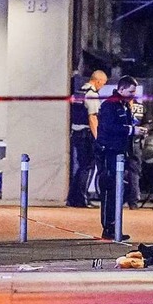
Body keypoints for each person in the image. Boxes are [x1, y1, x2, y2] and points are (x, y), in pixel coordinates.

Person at [95, 76, 146, 240]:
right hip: (109, 152)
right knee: (110, 190)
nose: (133, 95)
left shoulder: (124, 105)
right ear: (121, 89)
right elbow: (109, 127)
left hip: (120, 154)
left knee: (119, 189)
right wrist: (132, 130)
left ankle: (114, 227)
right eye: (130, 91)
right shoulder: (110, 105)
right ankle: (108, 228)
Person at [67, 70, 108, 207]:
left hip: (76, 133)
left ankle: (72, 198)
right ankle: (82, 199)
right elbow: (92, 118)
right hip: (86, 134)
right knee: (88, 167)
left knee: (81, 166)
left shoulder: (79, 92)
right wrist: (97, 138)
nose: (102, 86)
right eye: (103, 83)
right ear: (98, 81)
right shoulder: (92, 95)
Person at [125, 98, 144, 209]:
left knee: (133, 172)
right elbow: (147, 123)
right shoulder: (141, 106)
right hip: (134, 143)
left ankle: (132, 200)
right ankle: (133, 201)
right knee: (134, 172)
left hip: (127, 143)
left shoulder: (117, 104)